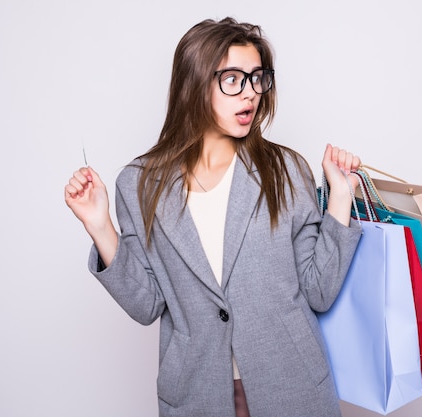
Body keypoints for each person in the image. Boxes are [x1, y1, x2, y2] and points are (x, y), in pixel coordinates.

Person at [65, 17, 362, 417]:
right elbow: (148, 304)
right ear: (194, 83)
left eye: (258, 78)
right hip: (196, 392)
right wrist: (101, 227)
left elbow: (319, 291)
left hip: (292, 386)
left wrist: (340, 200)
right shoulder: (138, 184)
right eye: (233, 79)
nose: (251, 94)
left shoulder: (285, 170)